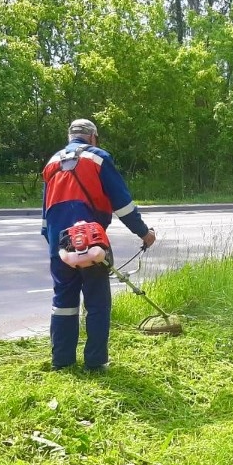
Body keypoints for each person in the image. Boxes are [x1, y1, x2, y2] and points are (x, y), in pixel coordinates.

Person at [41, 118, 156, 371]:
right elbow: (122, 203)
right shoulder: (98, 158)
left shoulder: (52, 164)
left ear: (69, 136)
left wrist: (53, 245)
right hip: (91, 243)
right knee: (97, 303)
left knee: (63, 304)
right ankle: (95, 363)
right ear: (93, 137)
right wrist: (144, 233)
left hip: (60, 245)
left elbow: (45, 212)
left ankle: (62, 362)